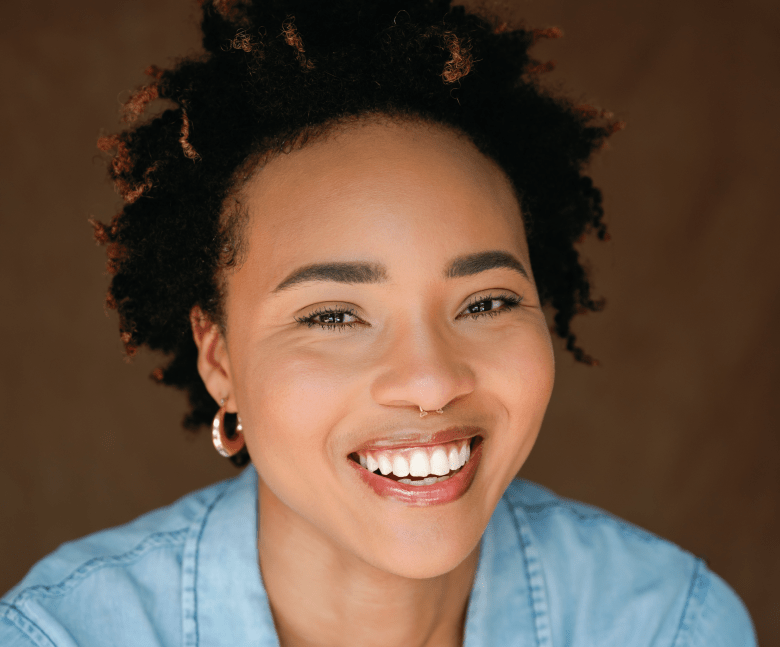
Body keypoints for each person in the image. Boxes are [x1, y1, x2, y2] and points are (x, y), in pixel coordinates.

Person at [0, 0, 756, 645]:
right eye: (333, 314)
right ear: (219, 356)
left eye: (486, 302)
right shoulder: (62, 634)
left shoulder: (666, 624)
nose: (430, 381)